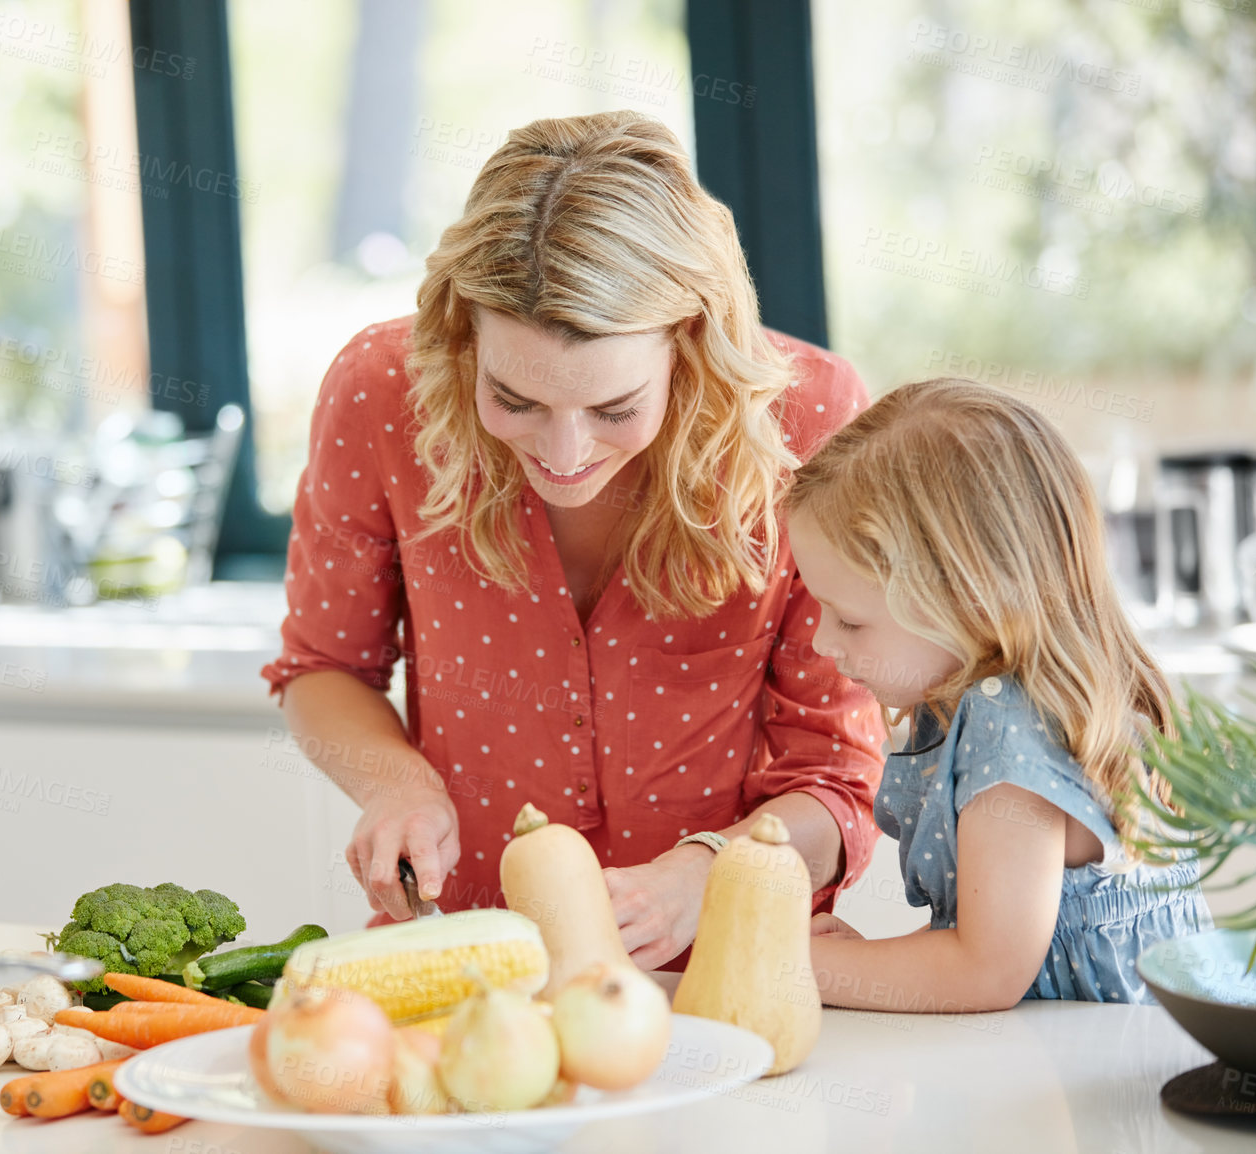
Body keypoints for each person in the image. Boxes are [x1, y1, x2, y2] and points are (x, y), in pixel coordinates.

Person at [261, 110, 887, 970]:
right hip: (458, 965)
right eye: (514, 400)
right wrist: (395, 785)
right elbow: (322, 667)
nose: (563, 456)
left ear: (691, 343)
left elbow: (835, 772)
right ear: (461, 334)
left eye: (615, 408)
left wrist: (710, 873)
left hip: (715, 974)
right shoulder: (381, 396)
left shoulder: (808, 419)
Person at [785, 378, 1212, 1007]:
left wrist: (800, 964)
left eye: (849, 619)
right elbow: (996, 935)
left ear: (969, 600)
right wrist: (860, 960)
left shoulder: (1012, 725)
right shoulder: (1001, 698)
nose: (823, 642)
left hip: (1098, 1086)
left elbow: (986, 971)